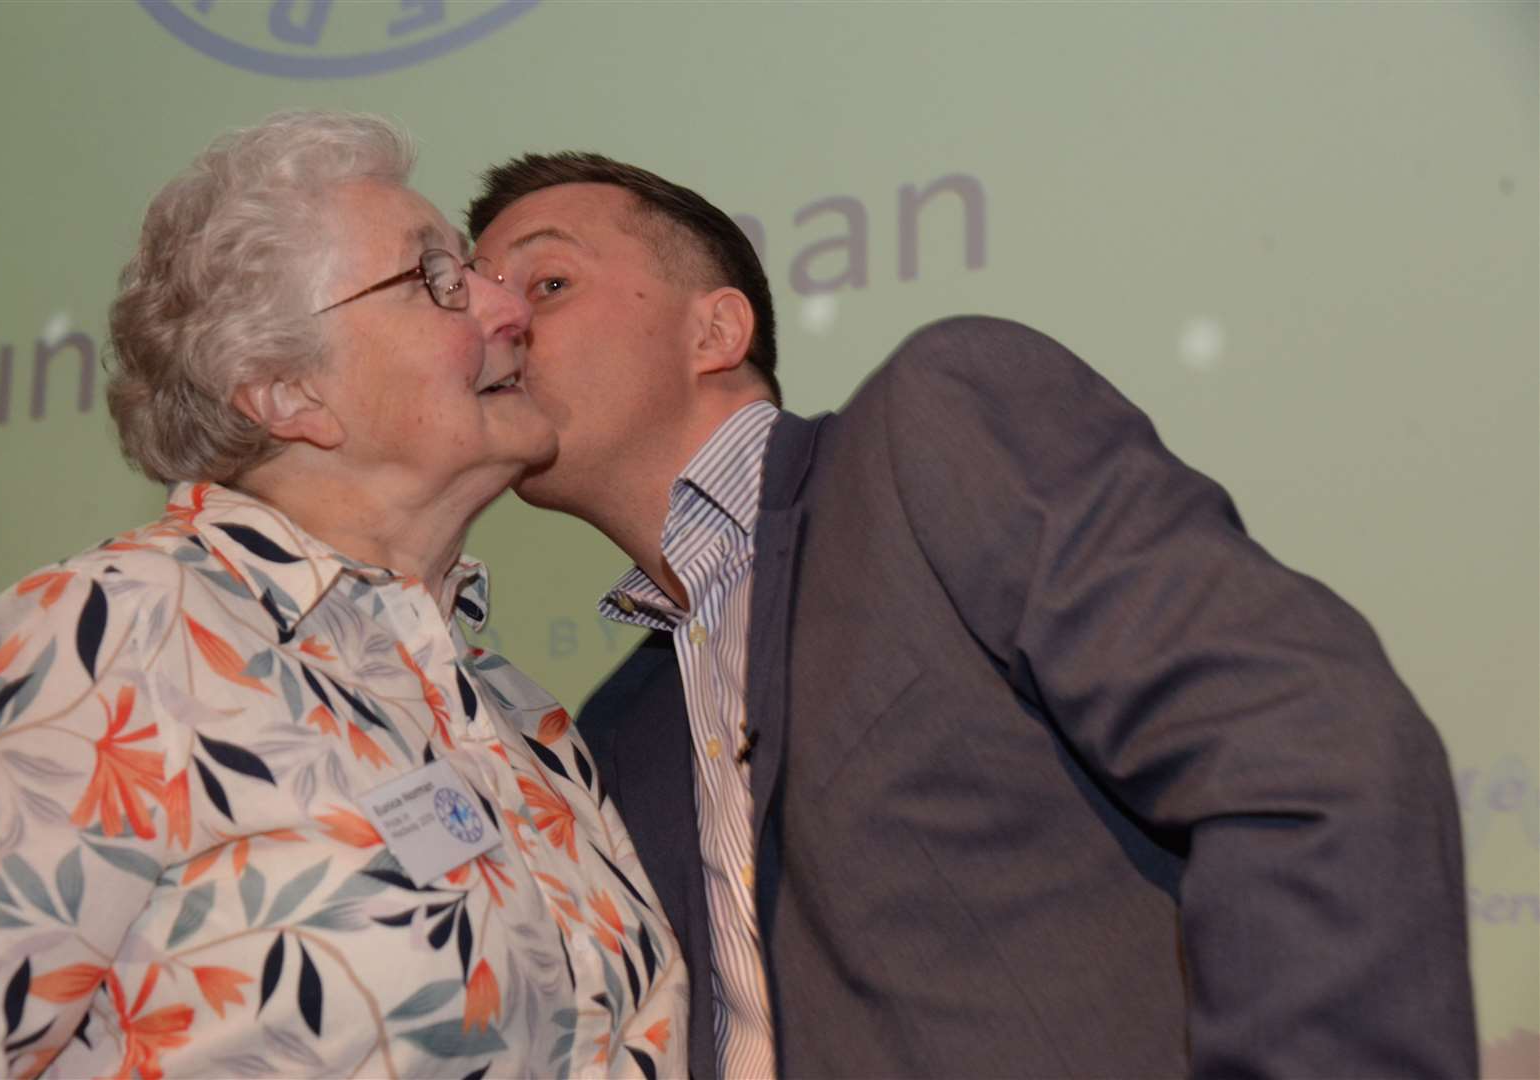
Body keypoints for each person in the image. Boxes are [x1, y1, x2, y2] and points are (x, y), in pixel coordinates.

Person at [466, 153, 1478, 1079]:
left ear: (714, 331)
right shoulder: (606, 736)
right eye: (476, 301)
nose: (496, 324)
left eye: (545, 283)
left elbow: (1314, 750)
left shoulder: (931, 434)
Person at [0, 117, 685, 1079]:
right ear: (285, 393)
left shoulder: (523, 719)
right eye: (438, 280)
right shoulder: (120, 633)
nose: (507, 309)